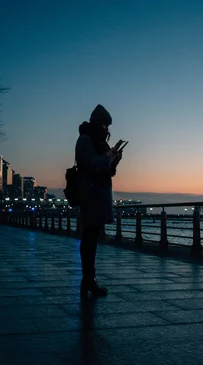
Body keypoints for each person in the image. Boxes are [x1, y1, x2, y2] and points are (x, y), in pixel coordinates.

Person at [75, 104, 125, 297]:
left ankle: (88, 280)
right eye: (104, 125)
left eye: (108, 126)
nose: (106, 129)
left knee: (92, 237)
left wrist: (115, 159)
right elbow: (91, 164)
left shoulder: (101, 143)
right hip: (90, 194)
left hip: (100, 193)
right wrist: (108, 156)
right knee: (89, 237)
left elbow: (107, 170)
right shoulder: (85, 140)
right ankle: (88, 279)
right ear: (97, 124)